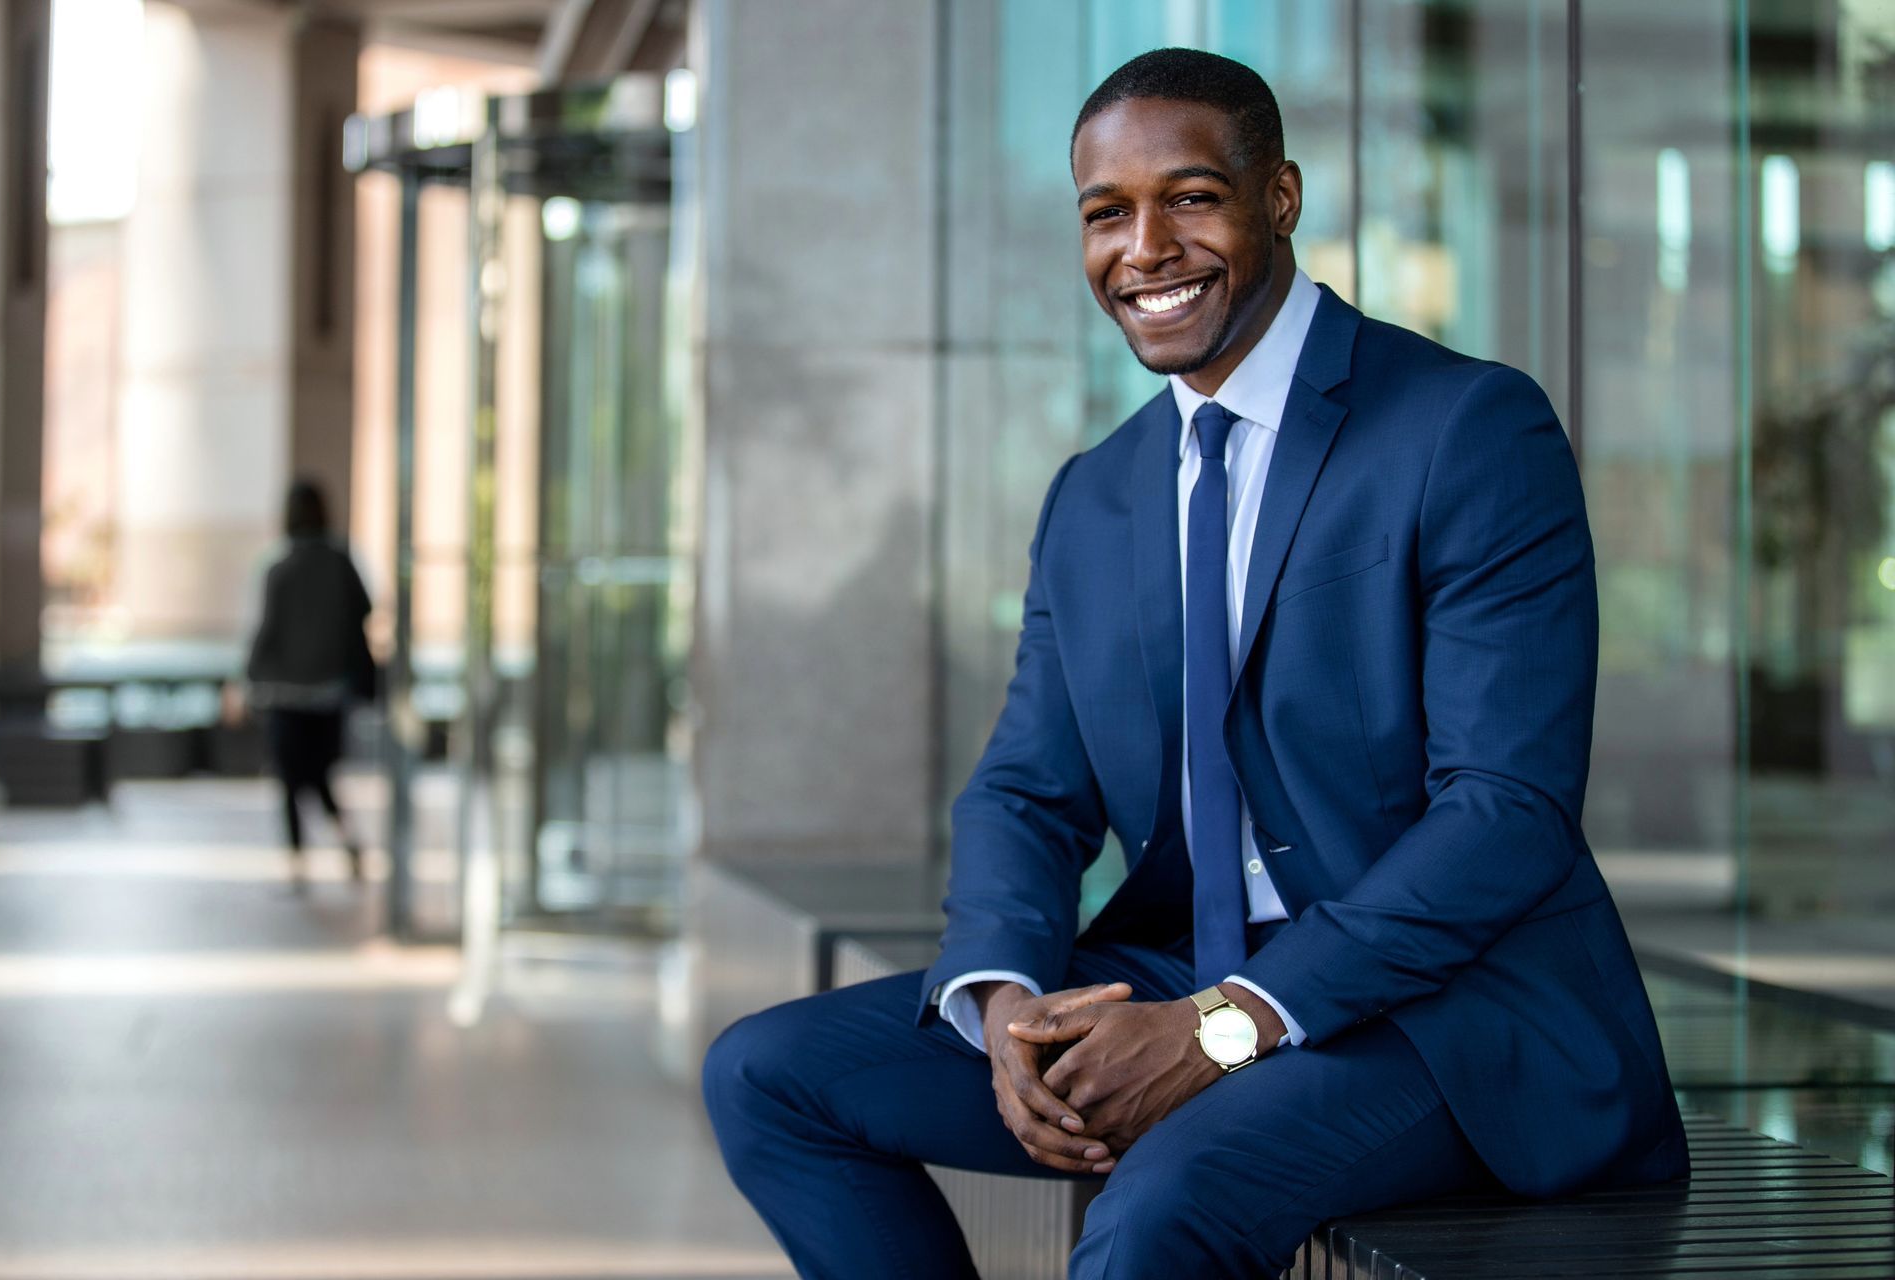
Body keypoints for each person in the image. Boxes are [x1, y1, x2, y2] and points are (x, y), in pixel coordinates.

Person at [703, 48, 1688, 1279]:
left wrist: (1224, 1026)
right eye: (1106, 213)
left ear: (1278, 197)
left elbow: (1507, 812)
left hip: (1447, 1014)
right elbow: (1026, 787)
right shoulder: (1096, 495)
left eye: (1192, 197)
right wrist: (1003, 1003)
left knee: (1167, 1201)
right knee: (769, 1073)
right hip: (1183, 966)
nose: (1146, 248)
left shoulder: (1466, 429)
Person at [246, 478, 374, 891]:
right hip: (330, 691)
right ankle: (346, 841)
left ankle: (298, 865)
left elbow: (266, 631)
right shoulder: (341, 563)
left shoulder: (280, 569)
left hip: (287, 693)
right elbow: (364, 611)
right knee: (320, 777)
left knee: (290, 780)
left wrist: (248, 678)